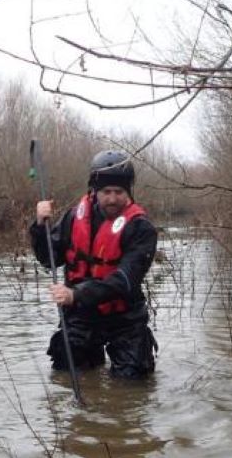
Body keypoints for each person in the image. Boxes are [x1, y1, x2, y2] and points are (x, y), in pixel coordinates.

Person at [30, 149, 158, 379]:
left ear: (128, 192)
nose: (112, 199)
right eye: (106, 192)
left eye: (119, 192)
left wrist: (76, 294)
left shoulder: (141, 228)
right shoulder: (74, 217)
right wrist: (40, 226)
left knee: (133, 380)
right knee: (66, 367)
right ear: (94, 191)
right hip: (82, 314)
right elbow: (49, 260)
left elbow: (125, 280)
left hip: (124, 316)